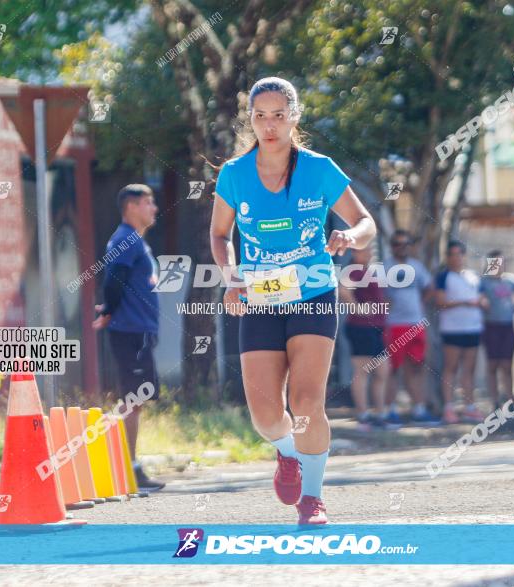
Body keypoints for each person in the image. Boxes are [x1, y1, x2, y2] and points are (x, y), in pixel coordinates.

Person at [210, 77, 376, 524]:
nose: (269, 125)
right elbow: (220, 234)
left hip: (314, 294)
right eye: (260, 116)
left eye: (279, 115)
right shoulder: (234, 175)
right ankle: (287, 452)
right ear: (251, 120)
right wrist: (231, 277)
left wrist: (348, 235)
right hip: (260, 298)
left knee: (306, 403)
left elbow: (365, 221)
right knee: (266, 416)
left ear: (293, 118)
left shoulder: (319, 169)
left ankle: (313, 498)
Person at [92, 184, 166, 492]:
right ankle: (126, 468)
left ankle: (126, 466)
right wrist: (109, 310)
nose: (155, 209)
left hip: (139, 331)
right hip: (129, 331)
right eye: (149, 203)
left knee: (136, 399)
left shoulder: (134, 241)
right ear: (132, 207)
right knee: (131, 400)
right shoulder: (125, 239)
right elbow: (114, 280)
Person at [382, 230, 439, 427]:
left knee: (416, 367)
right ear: (392, 246)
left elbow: (430, 287)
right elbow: (377, 293)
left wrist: (421, 303)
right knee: (392, 369)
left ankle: (419, 409)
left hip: (416, 324)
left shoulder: (417, 266)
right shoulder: (385, 267)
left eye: (405, 244)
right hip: (393, 324)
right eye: (398, 244)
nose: (402, 247)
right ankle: (389, 410)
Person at [338, 245, 390, 431]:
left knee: (382, 372)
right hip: (360, 328)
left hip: (377, 329)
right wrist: (358, 309)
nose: (369, 254)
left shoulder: (368, 271)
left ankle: (380, 414)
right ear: (355, 252)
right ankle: (363, 416)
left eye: (370, 251)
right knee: (362, 372)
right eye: (365, 250)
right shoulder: (352, 272)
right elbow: (343, 290)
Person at [435, 240, 486, 424]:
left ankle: (469, 407)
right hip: (452, 329)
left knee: (469, 370)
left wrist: (482, 303)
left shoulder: (473, 277)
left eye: (459, 254)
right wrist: (464, 302)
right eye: (452, 254)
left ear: (464, 256)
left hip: (473, 328)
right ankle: (449, 407)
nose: (456, 258)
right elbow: (440, 301)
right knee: (451, 368)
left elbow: (482, 297)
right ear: (448, 257)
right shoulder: (443, 277)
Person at [479, 251, 514, 409]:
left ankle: (510, 398)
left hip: (507, 326)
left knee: (507, 364)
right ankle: (494, 400)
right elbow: (479, 299)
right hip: (491, 326)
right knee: (493, 364)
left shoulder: (511, 280)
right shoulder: (483, 282)